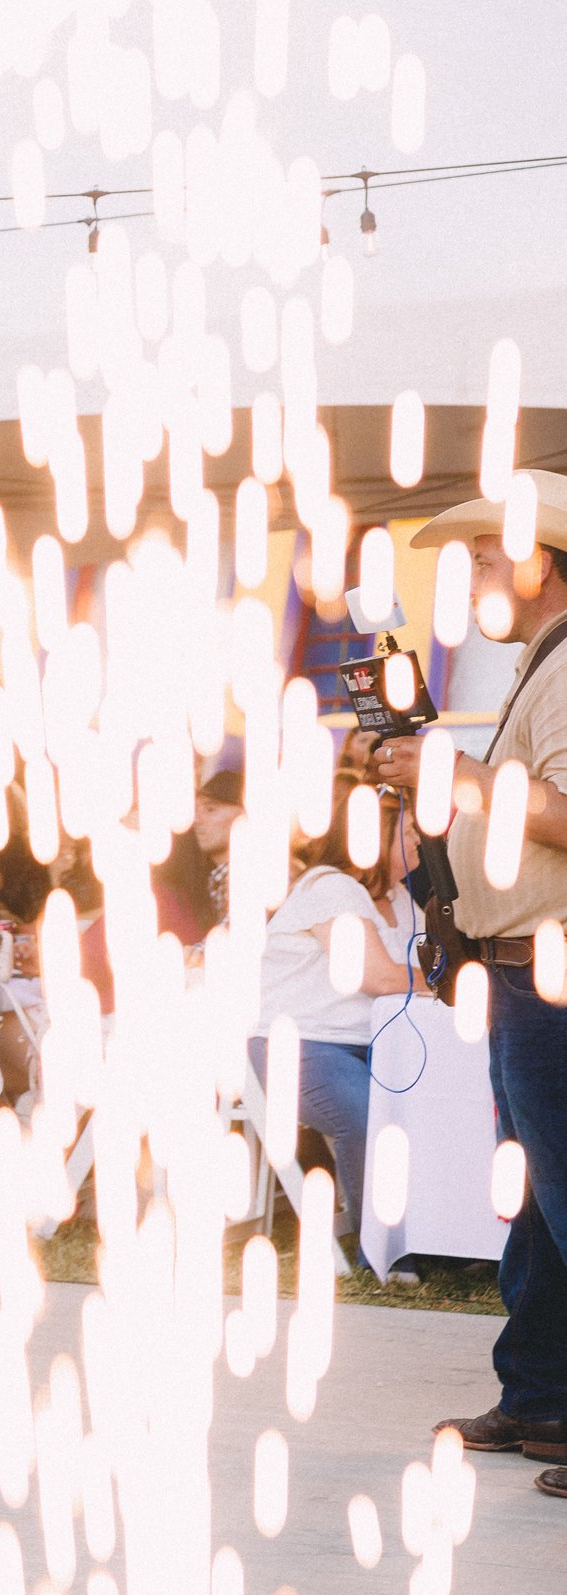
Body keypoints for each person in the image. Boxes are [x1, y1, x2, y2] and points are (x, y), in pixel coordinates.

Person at [370, 471, 567, 1498]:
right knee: (535, 1202)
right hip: (518, 968)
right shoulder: (542, 666)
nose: (475, 576)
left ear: (538, 558)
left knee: (559, 1190)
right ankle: (539, 1394)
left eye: (487, 557)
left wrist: (453, 777)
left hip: (549, 969)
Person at [246, 771, 417, 1225]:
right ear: (378, 836)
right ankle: (384, 1248)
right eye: (411, 829)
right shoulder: (330, 888)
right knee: (366, 1118)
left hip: (375, 1045)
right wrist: (453, 981)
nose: (421, 838)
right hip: (300, 1045)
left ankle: (436, 1236)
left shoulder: (400, 899)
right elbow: (376, 977)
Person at [151, 770, 243, 944]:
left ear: (245, 815)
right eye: (196, 811)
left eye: (210, 809)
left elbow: (230, 940)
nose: (197, 820)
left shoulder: (253, 876)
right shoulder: (212, 879)